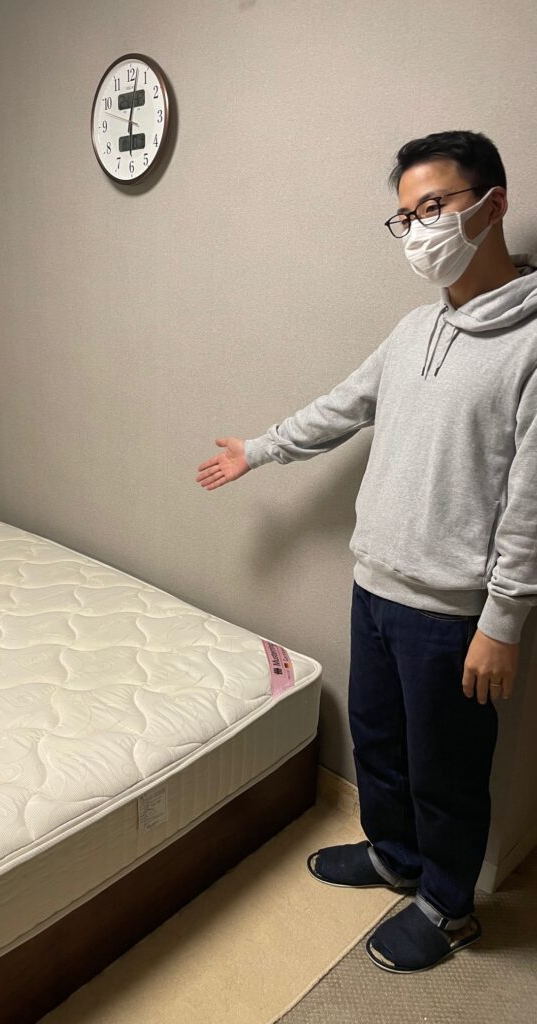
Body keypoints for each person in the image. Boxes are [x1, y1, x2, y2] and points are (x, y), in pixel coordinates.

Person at [195, 130, 537, 974]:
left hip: (452, 614)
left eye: (434, 206)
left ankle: (448, 906)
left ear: (493, 204)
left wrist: (502, 621)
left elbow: (532, 505)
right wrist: (260, 448)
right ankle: (394, 856)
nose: (419, 230)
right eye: (405, 216)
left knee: (446, 770)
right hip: (375, 584)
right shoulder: (416, 328)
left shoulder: (530, 343)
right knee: (378, 742)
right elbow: (344, 406)